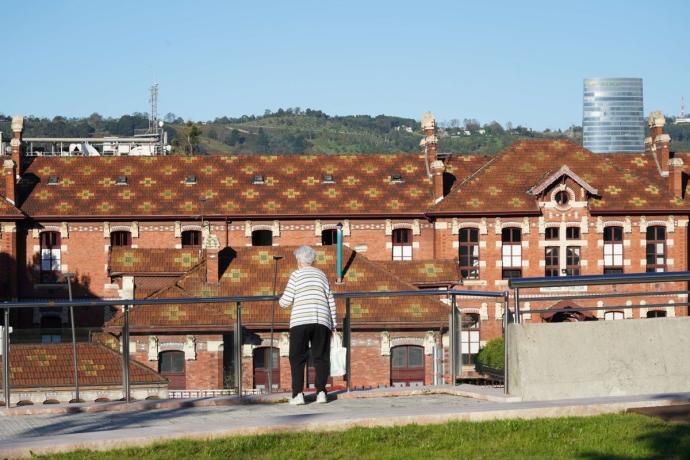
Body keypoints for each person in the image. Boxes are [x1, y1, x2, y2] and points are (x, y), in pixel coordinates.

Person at [279, 245, 337, 405]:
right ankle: (321, 392)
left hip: (300, 320)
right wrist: (333, 324)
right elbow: (330, 299)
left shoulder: (296, 275)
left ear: (299, 260)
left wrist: (279, 298)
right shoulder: (322, 275)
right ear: (312, 260)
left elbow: (285, 302)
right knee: (321, 357)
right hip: (322, 320)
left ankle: (298, 394)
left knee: (297, 357)